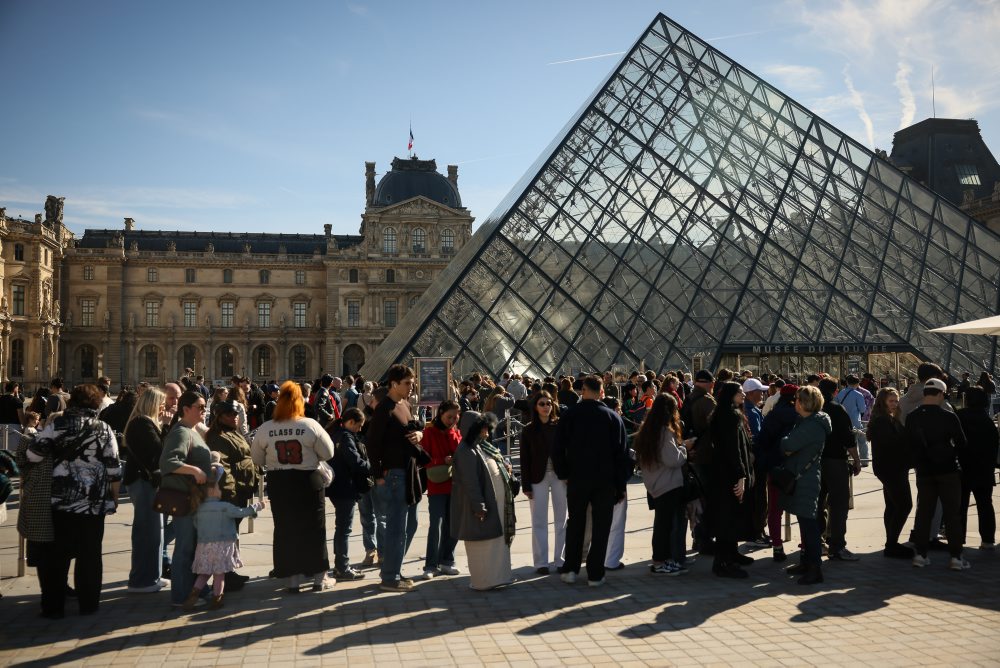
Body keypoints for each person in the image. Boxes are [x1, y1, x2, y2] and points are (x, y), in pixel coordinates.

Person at [25, 383, 122, 617]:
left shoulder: (57, 425)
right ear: (96, 403)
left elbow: (33, 454)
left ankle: (53, 607)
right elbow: (114, 468)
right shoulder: (103, 428)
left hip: (60, 502)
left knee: (56, 556)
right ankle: (88, 605)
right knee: (90, 555)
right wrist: (114, 498)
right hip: (93, 503)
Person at [251, 381, 336, 592]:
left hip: (280, 483)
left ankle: (292, 579)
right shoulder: (309, 425)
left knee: (285, 530)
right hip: (308, 481)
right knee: (314, 530)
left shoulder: (266, 428)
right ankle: (319, 578)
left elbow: (257, 458)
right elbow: (328, 453)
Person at [553, 375, 629, 587]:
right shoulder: (613, 418)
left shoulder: (570, 415)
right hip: (605, 481)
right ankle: (595, 573)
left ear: (583, 389)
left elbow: (557, 448)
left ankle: (570, 569)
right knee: (601, 527)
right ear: (602, 391)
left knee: (576, 523)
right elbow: (621, 455)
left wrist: (563, 474)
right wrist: (620, 484)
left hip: (577, 478)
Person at [365, 364, 427, 592]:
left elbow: (413, 430)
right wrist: (378, 474)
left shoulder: (405, 404)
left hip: (409, 471)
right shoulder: (385, 409)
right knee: (396, 527)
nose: (412, 387)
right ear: (394, 384)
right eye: (407, 383)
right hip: (394, 474)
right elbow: (372, 444)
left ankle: (394, 568)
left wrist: (420, 433)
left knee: (411, 524)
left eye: (412, 383)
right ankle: (390, 576)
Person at [183, 455, 265, 610]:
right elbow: (241, 512)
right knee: (219, 575)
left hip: (204, 545)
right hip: (223, 545)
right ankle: (217, 599)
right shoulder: (225, 507)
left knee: (204, 574)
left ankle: (193, 594)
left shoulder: (198, 509)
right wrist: (257, 507)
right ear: (214, 490)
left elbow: (195, 524)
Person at [905, 378, 970, 571]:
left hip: (924, 471)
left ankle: (921, 554)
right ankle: (956, 557)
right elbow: (962, 443)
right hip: (948, 470)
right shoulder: (948, 416)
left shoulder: (912, 416)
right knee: (952, 514)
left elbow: (909, 444)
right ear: (941, 394)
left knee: (924, 512)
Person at [451, 411, 515, 590]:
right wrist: (479, 506)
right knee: (483, 545)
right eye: (483, 428)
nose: (487, 432)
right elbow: (470, 483)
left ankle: (499, 577)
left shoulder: (481, 446)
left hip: (494, 505)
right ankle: (484, 581)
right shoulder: (465, 450)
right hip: (482, 508)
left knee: (495, 544)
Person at [160, 391, 212, 607]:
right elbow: (168, 462)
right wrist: (196, 471)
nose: (204, 410)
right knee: (184, 548)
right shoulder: (181, 432)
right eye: (200, 407)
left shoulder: (191, 430)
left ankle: (195, 590)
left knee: (192, 546)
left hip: (194, 498)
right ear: (186, 409)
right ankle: (181, 596)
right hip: (185, 498)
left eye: (205, 406)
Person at [204, 398, 261, 591]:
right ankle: (224, 576)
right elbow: (222, 468)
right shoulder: (218, 437)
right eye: (229, 414)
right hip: (231, 492)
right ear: (219, 416)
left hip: (241, 488)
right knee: (227, 536)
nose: (234, 417)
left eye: (236, 414)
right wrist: (230, 493)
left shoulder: (232, 433)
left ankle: (229, 572)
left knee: (232, 535)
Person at [634, 393, 694, 575]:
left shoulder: (648, 430)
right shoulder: (664, 431)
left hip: (654, 483)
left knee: (662, 524)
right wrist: (685, 448)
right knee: (664, 526)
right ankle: (660, 562)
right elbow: (673, 460)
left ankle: (663, 560)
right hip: (667, 484)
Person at [780, 386, 831, 585]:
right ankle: (806, 562)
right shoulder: (810, 422)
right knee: (805, 522)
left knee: (809, 525)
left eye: (797, 399)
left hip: (805, 479)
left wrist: (787, 445)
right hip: (806, 476)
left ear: (804, 403)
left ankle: (814, 568)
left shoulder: (811, 425)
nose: (795, 402)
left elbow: (787, 445)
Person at [122, 386, 169, 593]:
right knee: (147, 533)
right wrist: (167, 426)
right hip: (142, 482)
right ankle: (141, 580)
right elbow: (159, 450)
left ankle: (153, 576)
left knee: (154, 532)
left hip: (145, 481)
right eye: (162, 404)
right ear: (152, 404)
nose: (164, 409)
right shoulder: (142, 423)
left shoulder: (144, 423)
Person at [708, 381, 756, 578]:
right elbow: (732, 449)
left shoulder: (724, 413)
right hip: (728, 474)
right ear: (730, 395)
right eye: (740, 392)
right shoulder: (730, 416)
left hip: (723, 473)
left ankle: (731, 554)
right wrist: (741, 475)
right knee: (727, 518)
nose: (743, 395)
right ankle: (723, 562)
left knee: (731, 516)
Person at [520, 390, 566, 575]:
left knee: (561, 520)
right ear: (535, 407)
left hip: (559, 476)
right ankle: (541, 562)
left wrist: (568, 475)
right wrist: (526, 485)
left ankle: (561, 560)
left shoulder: (560, 426)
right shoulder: (528, 430)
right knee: (538, 520)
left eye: (548, 403)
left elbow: (567, 452)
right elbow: (524, 459)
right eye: (542, 403)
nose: (546, 406)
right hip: (537, 477)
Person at [817, 378, 862, 562]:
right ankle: (837, 544)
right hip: (836, 460)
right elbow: (848, 437)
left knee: (817, 503)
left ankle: (816, 541)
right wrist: (857, 459)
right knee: (839, 503)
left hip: (815, 461)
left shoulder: (812, 409)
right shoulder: (836, 410)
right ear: (835, 391)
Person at [866, 388, 914, 558]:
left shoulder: (887, 419)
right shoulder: (883, 422)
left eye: (896, 401)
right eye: (891, 401)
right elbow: (892, 445)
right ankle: (891, 543)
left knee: (893, 506)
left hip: (890, 468)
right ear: (882, 402)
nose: (894, 404)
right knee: (904, 505)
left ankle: (891, 542)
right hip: (892, 468)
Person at [325, 407, 372, 581]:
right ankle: (342, 567)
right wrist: (371, 466)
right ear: (350, 422)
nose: (360, 430)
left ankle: (341, 565)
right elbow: (355, 462)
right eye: (359, 426)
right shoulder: (345, 437)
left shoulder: (335, 433)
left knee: (342, 528)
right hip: (346, 486)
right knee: (344, 528)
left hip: (338, 486)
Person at [419, 399, 462, 580]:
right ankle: (431, 564)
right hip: (436, 484)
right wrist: (440, 461)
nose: (451, 420)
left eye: (455, 417)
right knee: (435, 525)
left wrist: (453, 434)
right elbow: (423, 458)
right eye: (449, 416)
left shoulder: (455, 432)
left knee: (452, 524)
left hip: (454, 484)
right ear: (440, 414)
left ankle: (447, 561)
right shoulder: (429, 432)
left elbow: (460, 453)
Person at [955, 387, 998, 550]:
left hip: (963, 467)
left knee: (960, 504)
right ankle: (987, 539)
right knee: (985, 504)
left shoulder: (959, 416)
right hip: (984, 468)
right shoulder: (987, 421)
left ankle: (958, 538)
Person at [0, 381, 25, 451]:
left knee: (2, 452)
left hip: (1, 427)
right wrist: (25, 426)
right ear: (15, 389)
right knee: (13, 451)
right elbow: (21, 416)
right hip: (14, 429)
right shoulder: (17, 401)